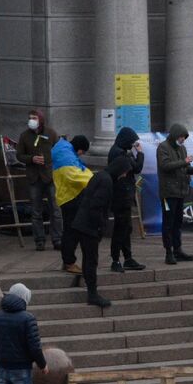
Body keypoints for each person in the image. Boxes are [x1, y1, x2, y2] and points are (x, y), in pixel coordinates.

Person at [70, 154, 136, 308]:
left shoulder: (100, 176)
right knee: (91, 260)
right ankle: (92, 294)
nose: (125, 175)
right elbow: (97, 206)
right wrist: (100, 227)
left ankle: (91, 291)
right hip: (89, 227)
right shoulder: (106, 182)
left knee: (88, 259)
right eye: (125, 171)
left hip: (82, 224)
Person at [16, 108, 61, 251]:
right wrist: (32, 159)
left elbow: (60, 150)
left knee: (55, 209)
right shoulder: (24, 136)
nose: (31, 120)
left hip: (50, 176)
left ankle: (57, 239)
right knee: (36, 211)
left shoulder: (51, 133)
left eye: (34, 118)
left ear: (40, 119)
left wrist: (50, 162)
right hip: (34, 178)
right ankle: (39, 240)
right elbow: (19, 155)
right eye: (30, 117)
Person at [156, 123, 193, 265]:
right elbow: (165, 166)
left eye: (184, 138)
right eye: (181, 137)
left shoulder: (182, 149)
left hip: (180, 192)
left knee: (178, 222)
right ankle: (168, 252)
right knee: (168, 223)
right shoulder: (163, 147)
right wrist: (184, 162)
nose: (182, 140)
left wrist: (192, 170)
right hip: (168, 193)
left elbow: (184, 168)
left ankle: (178, 250)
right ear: (175, 135)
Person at [106, 126, 146, 273]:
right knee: (120, 229)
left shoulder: (121, 151)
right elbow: (137, 168)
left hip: (125, 196)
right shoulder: (119, 154)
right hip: (120, 197)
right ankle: (115, 260)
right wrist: (140, 153)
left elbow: (134, 167)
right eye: (132, 142)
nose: (133, 145)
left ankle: (128, 258)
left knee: (125, 228)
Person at [54, 134, 93, 275]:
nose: (82, 155)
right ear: (79, 149)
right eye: (82, 152)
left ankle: (68, 260)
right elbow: (74, 175)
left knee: (71, 231)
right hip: (70, 197)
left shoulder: (65, 150)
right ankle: (69, 262)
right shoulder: (66, 155)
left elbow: (79, 168)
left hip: (68, 196)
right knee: (72, 231)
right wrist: (95, 179)